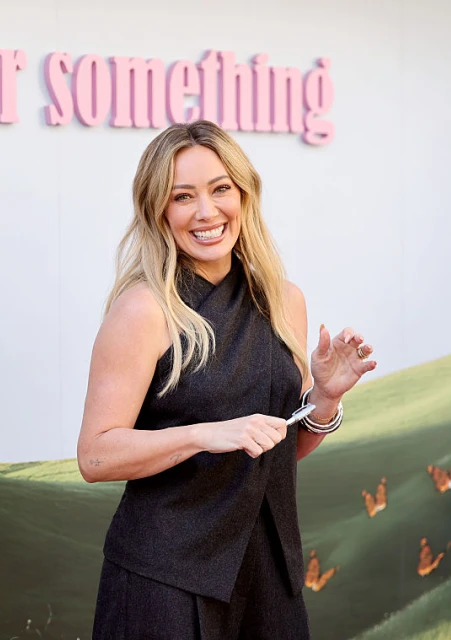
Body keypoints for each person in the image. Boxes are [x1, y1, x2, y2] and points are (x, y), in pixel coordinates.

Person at [76, 120, 377, 639]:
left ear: (244, 194)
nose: (206, 211)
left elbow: (278, 449)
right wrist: (203, 435)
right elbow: (95, 456)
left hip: (268, 574)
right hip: (166, 578)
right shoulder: (144, 311)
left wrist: (325, 399)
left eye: (220, 189)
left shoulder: (284, 300)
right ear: (158, 210)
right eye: (183, 196)